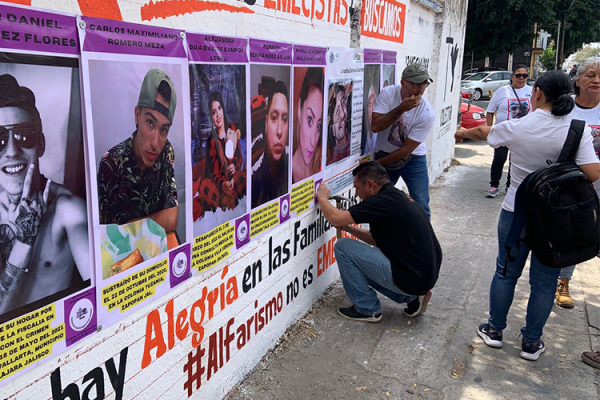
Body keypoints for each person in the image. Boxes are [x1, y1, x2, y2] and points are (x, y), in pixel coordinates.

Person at [455, 70, 600, 361]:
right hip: (556, 220)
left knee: (505, 273)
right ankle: (531, 343)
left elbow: (485, 133)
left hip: (517, 212)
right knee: (545, 282)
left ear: (537, 93)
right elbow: (593, 173)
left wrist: (463, 132)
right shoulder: (578, 128)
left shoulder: (519, 126)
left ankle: (494, 331)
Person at [0, 74, 90, 318]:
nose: (11, 151)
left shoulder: (67, 210)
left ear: (40, 144)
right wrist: (24, 241)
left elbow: (105, 291)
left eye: (23, 135)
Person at [316, 162, 442, 322]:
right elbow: (377, 240)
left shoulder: (381, 202)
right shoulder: (394, 196)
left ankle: (367, 309)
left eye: (357, 188)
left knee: (343, 247)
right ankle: (412, 298)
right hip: (423, 275)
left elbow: (335, 217)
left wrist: (322, 198)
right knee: (362, 259)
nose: (356, 194)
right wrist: (348, 228)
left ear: (370, 185)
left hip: (414, 277)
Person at [97, 69, 178, 234]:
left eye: (163, 130)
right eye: (150, 122)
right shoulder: (111, 163)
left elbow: (172, 219)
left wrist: (131, 226)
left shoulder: (166, 152)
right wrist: (156, 222)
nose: (155, 143)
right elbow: (108, 238)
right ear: (137, 116)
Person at [556, 57, 600, 310]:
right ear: (577, 80)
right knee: (568, 235)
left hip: (597, 186)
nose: (596, 80)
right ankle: (562, 280)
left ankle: (563, 277)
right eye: (590, 75)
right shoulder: (564, 107)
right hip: (568, 186)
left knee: (587, 236)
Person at [371, 64, 436, 217]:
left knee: (420, 203)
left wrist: (376, 164)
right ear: (403, 83)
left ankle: (422, 240)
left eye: (424, 84)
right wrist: (401, 108)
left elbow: (406, 150)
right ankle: (381, 237)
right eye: (415, 84)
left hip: (413, 158)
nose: (420, 89)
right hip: (383, 153)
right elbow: (375, 127)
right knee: (378, 201)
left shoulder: (427, 113)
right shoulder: (388, 94)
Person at [484, 64, 532, 198]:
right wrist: (489, 129)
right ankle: (494, 185)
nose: (521, 78)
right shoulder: (501, 92)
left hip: (522, 134)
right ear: (512, 76)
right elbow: (490, 111)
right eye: (518, 75)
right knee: (499, 159)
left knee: (515, 160)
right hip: (503, 133)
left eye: (524, 75)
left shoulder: (532, 92)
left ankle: (510, 186)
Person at [251, 80, 289, 208]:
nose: (279, 131)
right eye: (274, 118)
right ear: (266, 123)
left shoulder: (292, 165)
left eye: (284, 119)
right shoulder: (253, 173)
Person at [207, 91, 246, 209]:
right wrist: (223, 184)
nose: (218, 115)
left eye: (219, 109)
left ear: (223, 109)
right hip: (221, 183)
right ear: (211, 116)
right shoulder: (212, 140)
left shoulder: (232, 128)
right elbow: (212, 172)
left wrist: (234, 169)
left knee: (246, 178)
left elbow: (239, 158)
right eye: (214, 112)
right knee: (216, 197)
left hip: (235, 176)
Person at [292, 68, 324, 183]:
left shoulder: (320, 167)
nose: (313, 139)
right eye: (310, 120)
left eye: (319, 126)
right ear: (300, 110)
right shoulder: (284, 176)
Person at [326, 83, 351, 164]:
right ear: (332, 129)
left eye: (343, 103)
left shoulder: (354, 148)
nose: (342, 114)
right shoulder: (329, 161)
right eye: (337, 111)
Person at [362, 85, 377, 155]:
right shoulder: (363, 134)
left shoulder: (381, 133)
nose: (372, 107)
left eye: (374, 103)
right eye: (369, 104)